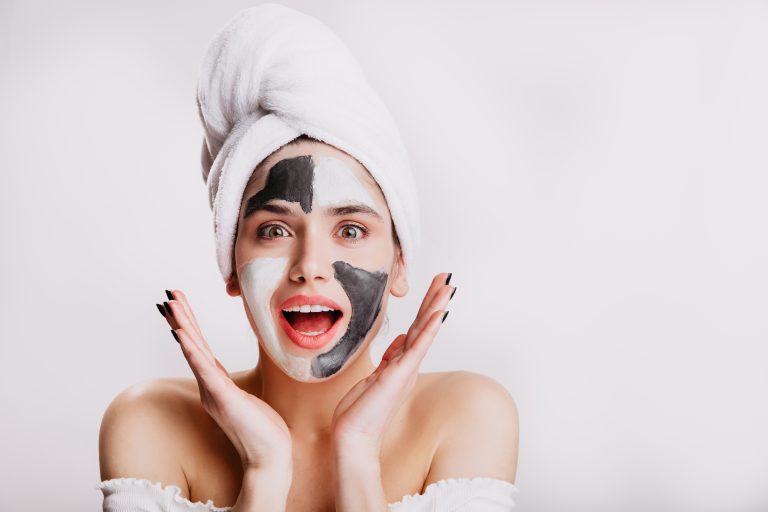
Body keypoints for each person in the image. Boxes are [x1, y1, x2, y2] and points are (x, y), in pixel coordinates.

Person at [97, 5, 519, 511]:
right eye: (273, 230)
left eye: (350, 229)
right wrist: (264, 471)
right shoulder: (148, 422)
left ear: (400, 265)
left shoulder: (469, 415)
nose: (310, 264)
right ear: (231, 265)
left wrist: (357, 452)